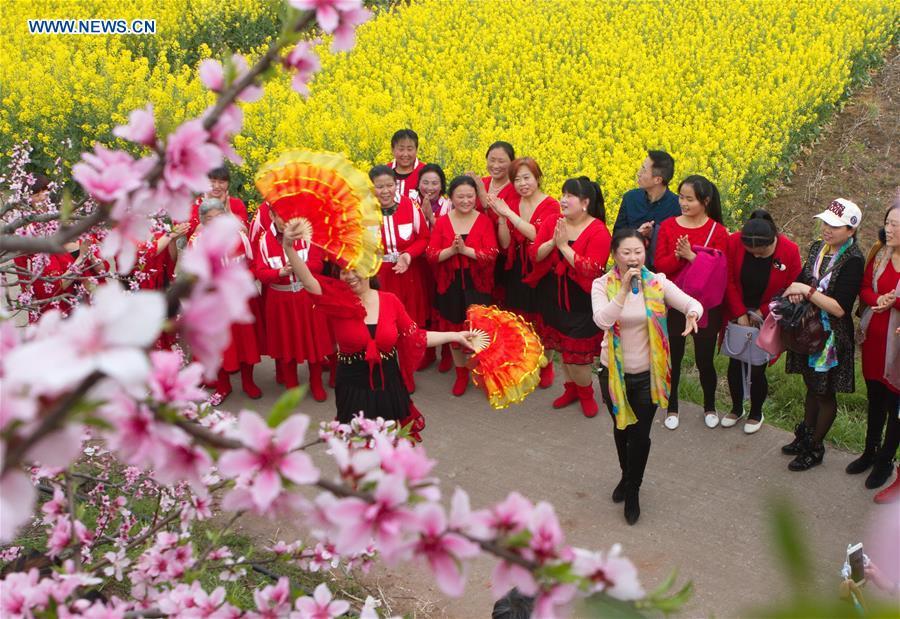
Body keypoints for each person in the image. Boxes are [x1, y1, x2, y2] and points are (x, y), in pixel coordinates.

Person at [282, 226, 475, 437]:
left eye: (356, 269)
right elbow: (308, 281)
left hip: (389, 384)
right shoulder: (336, 301)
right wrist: (288, 246)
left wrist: (455, 336)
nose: (350, 276)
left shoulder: (390, 301)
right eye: (344, 271)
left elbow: (416, 336)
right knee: (358, 443)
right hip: (352, 386)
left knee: (389, 441)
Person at [593, 229, 702, 524]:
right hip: (612, 374)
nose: (633, 258)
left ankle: (633, 490)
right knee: (621, 429)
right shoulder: (602, 285)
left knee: (640, 436)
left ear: (645, 253)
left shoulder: (657, 282)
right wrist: (623, 291)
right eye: (626, 252)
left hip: (647, 376)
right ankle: (626, 475)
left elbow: (692, 303)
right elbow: (602, 320)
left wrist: (692, 314)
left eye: (638, 252)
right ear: (615, 255)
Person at [782, 199, 865, 471]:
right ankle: (805, 436)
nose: (827, 229)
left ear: (851, 230)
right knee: (811, 386)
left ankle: (815, 447)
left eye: (835, 225)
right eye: (825, 222)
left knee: (825, 393)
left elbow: (840, 308)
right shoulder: (818, 248)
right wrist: (798, 290)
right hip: (808, 330)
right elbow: (803, 279)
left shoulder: (853, 260)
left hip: (830, 338)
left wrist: (806, 292)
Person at [529, 177, 610, 417]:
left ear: (585, 203)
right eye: (563, 194)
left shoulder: (598, 231)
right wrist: (553, 242)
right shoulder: (554, 221)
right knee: (564, 351)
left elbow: (591, 269)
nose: (563, 200)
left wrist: (563, 246)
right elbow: (535, 254)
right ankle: (571, 389)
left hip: (581, 302)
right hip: (552, 296)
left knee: (578, 358)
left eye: (570, 196)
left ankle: (586, 394)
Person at [653, 175, 729, 430]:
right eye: (681, 197)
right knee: (673, 357)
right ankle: (672, 406)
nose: (683, 203)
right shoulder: (668, 226)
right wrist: (680, 256)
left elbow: (720, 272)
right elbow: (660, 265)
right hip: (675, 303)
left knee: (704, 360)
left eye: (689, 199)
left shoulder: (718, 231)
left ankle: (710, 406)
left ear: (705, 201)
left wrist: (691, 256)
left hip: (707, 305)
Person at [722, 210, 802, 433]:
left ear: (773, 240)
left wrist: (761, 311)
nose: (756, 256)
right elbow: (728, 279)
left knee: (757, 366)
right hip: (737, 311)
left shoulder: (789, 250)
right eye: (751, 252)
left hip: (768, 316)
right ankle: (736, 408)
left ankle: (756, 412)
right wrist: (740, 312)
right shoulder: (734, 242)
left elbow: (790, 288)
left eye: (762, 252)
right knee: (735, 361)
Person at [487, 157, 561, 389]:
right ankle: (523, 363)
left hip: (542, 269)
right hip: (516, 267)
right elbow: (505, 243)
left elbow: (538, 236)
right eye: (517, 180)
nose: (522, 184)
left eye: (527, 178)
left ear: (537, 178)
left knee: (544, 320)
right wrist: (502, 218)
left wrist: (509, 214)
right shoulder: (511, 202)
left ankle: (547, 364)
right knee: (520, 320)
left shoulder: (551, 205)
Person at [250, 208, 334, 401]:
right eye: (281, 215)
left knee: (313, 342)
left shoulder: (306, 233)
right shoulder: (264, 240)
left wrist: (297, 266)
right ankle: (291, 386)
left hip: (306, 296)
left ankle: (316, 383)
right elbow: (260, 272)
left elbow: (318, 263)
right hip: (281, 300)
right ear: (271, 216)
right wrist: (280, 272)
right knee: (286, 344)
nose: (285, 220)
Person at [426, 175, 499, 396]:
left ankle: (483, 373)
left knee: (480, 332)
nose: (465, 201)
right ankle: (461, 374)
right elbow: (431, 255)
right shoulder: (442, 222)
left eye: (470, 196)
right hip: (451, 286)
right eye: (460, 196)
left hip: (478, 286)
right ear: (451, 197)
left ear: (476, 196)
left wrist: (466, 250)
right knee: (454, 332)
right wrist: (452, 250)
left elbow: (492, 254)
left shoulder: (484, 221)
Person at [846, 201, 900, 489]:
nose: (888, 229)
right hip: (874, 340)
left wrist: (896, 301)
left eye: (895, 225)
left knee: (895, 405)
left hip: (897, 346)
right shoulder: (880, 253)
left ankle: (885, 461)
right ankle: (870, 450)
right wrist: (877, 298)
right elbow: (865, 287)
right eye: (887, 222)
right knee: (875, 397)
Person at [192, 198, 261, 401]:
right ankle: (223, 386)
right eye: (209, 218)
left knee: (247, 343)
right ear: (203, 221)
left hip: (240, 301)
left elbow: (253, 266)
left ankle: (248, 382)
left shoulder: (240, 237)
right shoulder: (197, 243)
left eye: (219, 216)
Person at [370, 165, 431, 390]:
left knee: (407, 326)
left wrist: (408, 255)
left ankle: (406, 374)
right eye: (379, 187)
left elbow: (424, 238)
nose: (385, 191)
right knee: (381, 328)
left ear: (395, 185)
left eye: (389, 185)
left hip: (407, 274)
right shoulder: (364, 212)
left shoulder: (410, 205)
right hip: (379, 276)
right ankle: (383, 373)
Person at [613, 151, 681, 269]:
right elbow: (616, 238)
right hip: (628, 269)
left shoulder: (677, 206)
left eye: (644, 169)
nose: (638, 173)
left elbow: (676, 248)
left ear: (657, 180)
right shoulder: (630, 198)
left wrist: (654, 234)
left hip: (662, 274)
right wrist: (636, 234)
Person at [186, 166, 249, 239]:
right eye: (212, 182)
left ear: (228, 184)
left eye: (221, 182)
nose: (216, 186)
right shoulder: (195, 205)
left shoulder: (237, 204)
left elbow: (245, 233)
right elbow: (193, 236)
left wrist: (228, 213)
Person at [467, 141, 518, 216]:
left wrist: (482, 194)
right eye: (492, 160)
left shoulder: (516, 188)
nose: (495, 166)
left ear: (512, 162)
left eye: (501, 161)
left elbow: (507, 219)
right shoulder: (481, 182)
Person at [388, 129, 425, 202]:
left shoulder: (425, 172)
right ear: (392, 150)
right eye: (401, 149)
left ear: (416, 150)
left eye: (409, 149)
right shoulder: (385, 172)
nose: (405, 154)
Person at [415, 163, 452, 228]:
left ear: (441, 186)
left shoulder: (449, 206)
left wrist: (431, 217)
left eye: (434, 183)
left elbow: (450, 232)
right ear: (418, 184)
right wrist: (421, 215)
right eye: (425, 183)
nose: (430, 188)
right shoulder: (411, 203)